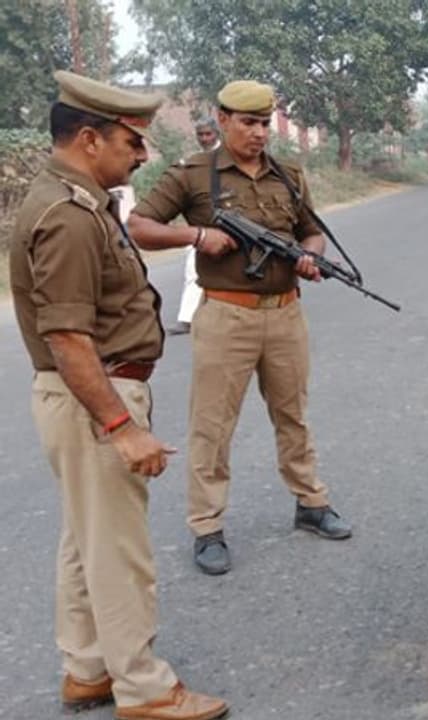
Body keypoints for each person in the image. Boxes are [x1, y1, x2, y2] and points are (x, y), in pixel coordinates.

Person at [9, 70, 227, 720]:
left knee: (86, 542)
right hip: (94, 395)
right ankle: (146, 688)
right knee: (120, 552)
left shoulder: (77, 201)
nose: (142, 155)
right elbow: (70, 339)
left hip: (86, 394)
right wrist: (120, 426)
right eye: (132, 142)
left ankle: (87, 669)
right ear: (87, 139)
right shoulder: (68, 218)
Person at [127, 80, 351, 577]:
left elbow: (310, 230)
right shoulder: (192, 174)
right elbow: (139, 225)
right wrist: (197, 234)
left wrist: (311, 259)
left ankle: (311, 501)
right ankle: (206, 527)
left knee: (293, 414)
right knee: (212, 424)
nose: (258, 133)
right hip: (226, 316)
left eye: (265, 123)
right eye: (248, 122)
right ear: (222, 119)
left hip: (286, 311)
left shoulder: (287, 175)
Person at [168, 117, 220, 336]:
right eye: (201, 134)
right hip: (202, 225)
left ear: (217, 133)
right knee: (193, 270)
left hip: (232, 221)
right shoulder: (193, 161)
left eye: (209, 134)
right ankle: (186, 318)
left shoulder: (228, 157)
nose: (205, 139)